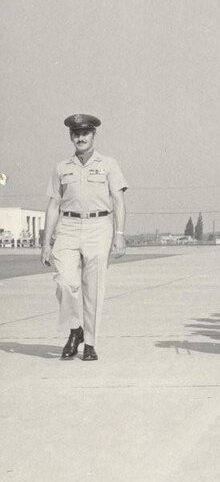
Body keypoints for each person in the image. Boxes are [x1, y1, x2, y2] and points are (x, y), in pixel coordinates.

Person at [41, 114, 128, 361]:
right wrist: (46, 243)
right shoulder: (61, 167)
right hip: (67, 226)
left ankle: (90, 343)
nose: (81, 138)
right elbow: (53, 205)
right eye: (76, 134)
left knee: (94, 288)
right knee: (65, 282)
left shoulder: (109, 164)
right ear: (71, 137)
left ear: (93, 136)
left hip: (99, 226)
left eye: (85, 133)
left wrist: (119, 235)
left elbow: (119, 201)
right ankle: (75, 329)